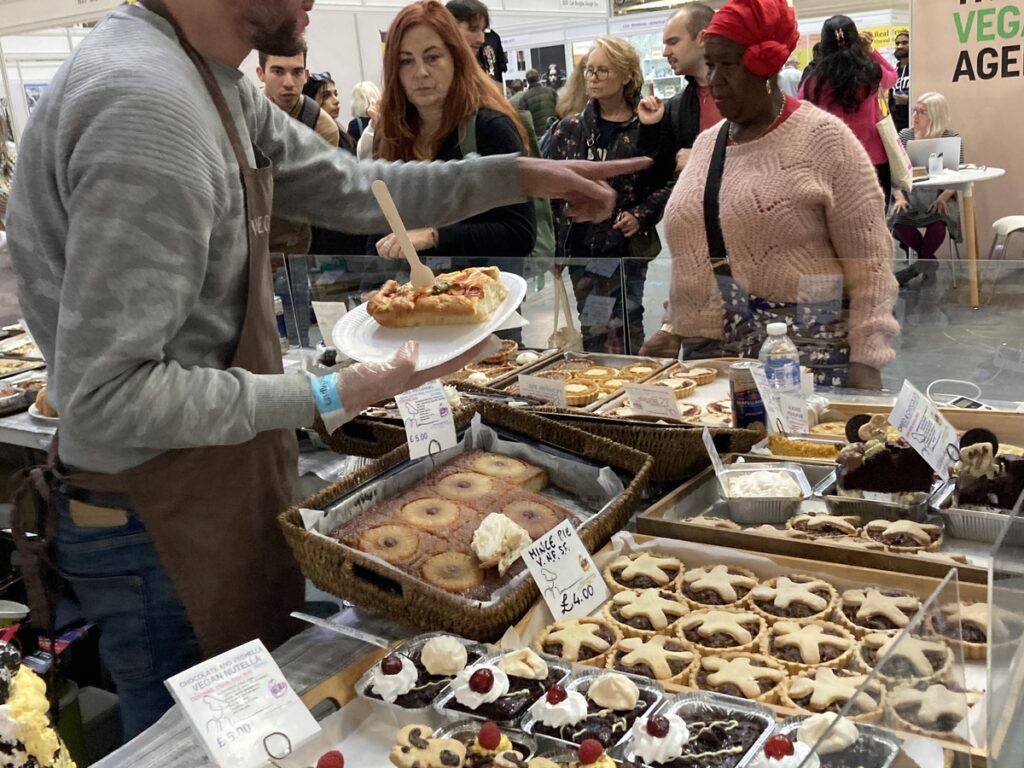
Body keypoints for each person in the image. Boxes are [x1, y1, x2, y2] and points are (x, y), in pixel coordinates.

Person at [5, 0, 645, 740]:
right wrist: (330, 391)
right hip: (160, 517)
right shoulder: (147, 106)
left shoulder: (206, 75)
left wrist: (519, 175)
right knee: (194, 748)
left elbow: (350, 185)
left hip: (215, 483)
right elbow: (107, 396)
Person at [640, 0, 899, 391]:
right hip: (709, 361)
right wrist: (672, 327)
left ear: (765, 67)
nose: (715, 79)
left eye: (728, 64)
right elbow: (695, 252)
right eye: (710, 64)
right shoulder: (708, 145)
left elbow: (871, 265)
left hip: (802, 358)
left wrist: (867, 361)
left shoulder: (826, 140)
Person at [369, 0, 535, 265]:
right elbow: (378, 225)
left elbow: (520, 233)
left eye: (432, 57)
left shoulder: (490, 128)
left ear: (456, 58)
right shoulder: (389, 133)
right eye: (406, 61)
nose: (421, 73)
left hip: (483, 287)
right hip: (411, 287)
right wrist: (374, 280)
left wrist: (435, 236)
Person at [544, 37, 664, 354]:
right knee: (595, 328)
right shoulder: (570, 128)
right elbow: (550, 192)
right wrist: (554, 249)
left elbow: (668, 181)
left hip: (626, 247)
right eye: (589, 70)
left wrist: (641, 214)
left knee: (630, 323)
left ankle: (632, 380)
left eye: (603, 71)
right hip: (583, 248)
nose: (593, 78)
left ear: (626, 75)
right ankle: (601, 379)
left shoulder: (646, 125)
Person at [799, 16, 898, 203]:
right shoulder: (871, 73)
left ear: (824, 45)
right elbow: (893, 76)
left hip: (832, 166)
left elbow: (801, 114)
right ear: (856, 40)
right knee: (876, 218)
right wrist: (870, 50)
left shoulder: (814, 83)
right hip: (873, 161)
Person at [635, 4, 717, 183]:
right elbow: (656, 177)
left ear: (703, 38)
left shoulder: (747, 95)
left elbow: (763, 159)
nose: (665, 52)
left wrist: (700, 160)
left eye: (673, 42)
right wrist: (651, 128)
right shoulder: (676, 106)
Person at [890, 92, 964, 287]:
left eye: (921, 112)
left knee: (938, 224)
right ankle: (928, 263)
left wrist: (944, 197)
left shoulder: (951, 138)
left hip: (939, 195)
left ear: (935, 115)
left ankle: (916, 268)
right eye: (915, 110)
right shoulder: (905, 136)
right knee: (900, 222)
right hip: (911, 194)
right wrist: (899, 197)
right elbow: (894, 172)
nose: (915, 116)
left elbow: (958, 175)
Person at [519, 69, 558, 136]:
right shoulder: (551, 91)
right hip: (553, 131)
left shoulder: (524, 98)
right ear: (538, 78)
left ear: (527, 81)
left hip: (537, 135)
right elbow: (560, 109)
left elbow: (523, 119)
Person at [890, 30, 911, 133]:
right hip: (896, 125)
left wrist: (909, 100)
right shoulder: (894, 72)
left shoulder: (918, 70)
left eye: (904, 43)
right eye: (897, 43)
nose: (899, 46)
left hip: (912, 122)